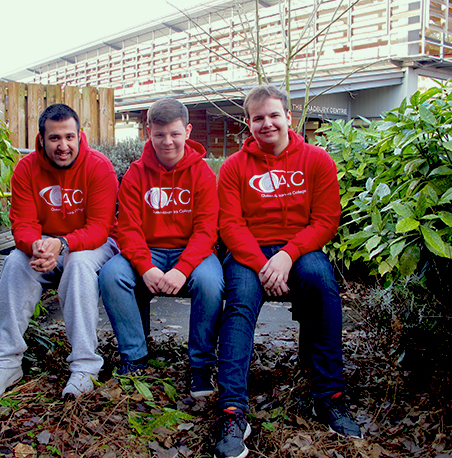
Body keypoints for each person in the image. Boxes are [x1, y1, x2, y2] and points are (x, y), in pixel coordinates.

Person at [213, 85, 361, 458]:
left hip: (300, 249)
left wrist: (288, 254)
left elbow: (326, 220)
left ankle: (330, 397)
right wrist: (264, 263)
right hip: (250, 254)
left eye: (274, 115)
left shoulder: (316, 160)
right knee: (241, 303)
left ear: (288, 118)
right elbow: (230, 225)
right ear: (248, 123)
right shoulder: (233, 167)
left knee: (322, 282)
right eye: (258, 118)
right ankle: (232, 411)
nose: (267, 124)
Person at [0, 104, 119, 400]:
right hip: (46, 246)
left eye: (69, 137)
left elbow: (100, 227)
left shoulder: (98, 165)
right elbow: (23, 224)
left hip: (93, 246)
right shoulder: (26, 168)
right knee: (15, 262)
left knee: (78, 263)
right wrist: (36, 247)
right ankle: (5, 364)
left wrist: (63, 244)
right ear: (41, 139)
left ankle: (84, 367)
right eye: (55, 138)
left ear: (80, 135)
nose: (63, 146)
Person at [99, 98, 223, 397]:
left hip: (191, 251)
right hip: (149, 250)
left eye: (175, 134)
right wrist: (145, 267)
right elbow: (127, 229)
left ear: (188, 131)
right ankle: (135, 357)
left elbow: (207, 229)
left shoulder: (202, 174)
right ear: (148, 132)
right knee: (111, 275)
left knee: (210, 282)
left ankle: (200, 365)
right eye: (159, 134)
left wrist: (183, 269)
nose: (167, 141)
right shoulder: (135, 174)